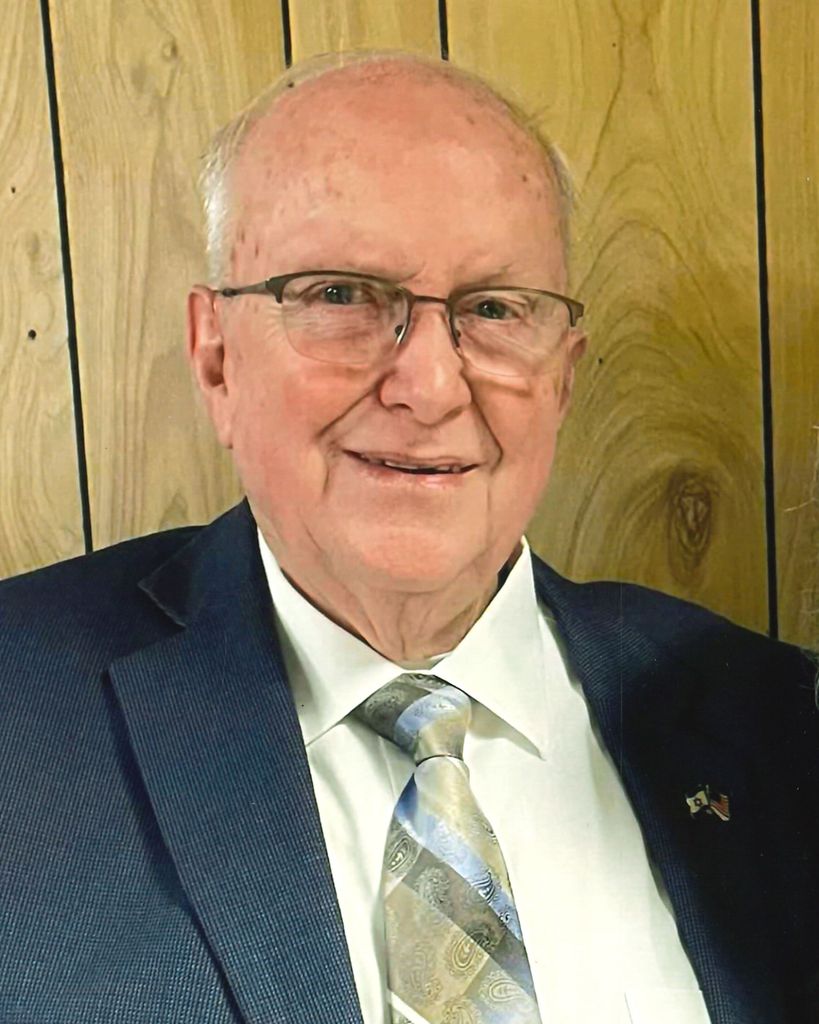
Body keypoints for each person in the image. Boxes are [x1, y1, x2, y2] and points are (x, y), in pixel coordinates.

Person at [1, 50, 818, 1024]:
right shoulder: (21, 712)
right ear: (216, 358)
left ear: (561, 378)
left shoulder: (772, 722)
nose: (430, 387)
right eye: (341, 296)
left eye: (494, 309)